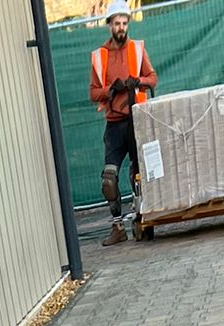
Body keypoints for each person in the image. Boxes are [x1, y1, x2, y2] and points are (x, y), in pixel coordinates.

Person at [90, 7, 156, 245]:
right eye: (117, 23)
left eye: (124, 23)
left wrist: (138, 81)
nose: (121, 28)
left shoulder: (137, 49)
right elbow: (93, 93)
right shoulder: (100, 56)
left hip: (136, 119)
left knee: (139, 173)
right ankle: (117, 227)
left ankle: (143, 218)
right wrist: (110, 90)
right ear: (110, 25)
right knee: (109, 179)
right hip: (113, 125)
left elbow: (153, 78)